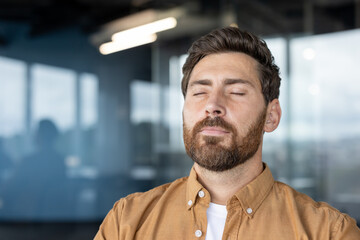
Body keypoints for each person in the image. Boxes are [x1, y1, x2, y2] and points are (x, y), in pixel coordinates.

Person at [94, 26, 360, 239]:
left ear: (271, 116)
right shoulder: (126, 222)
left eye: (235, 92)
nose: (212, 105)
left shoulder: (329, 232)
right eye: (199, 92)